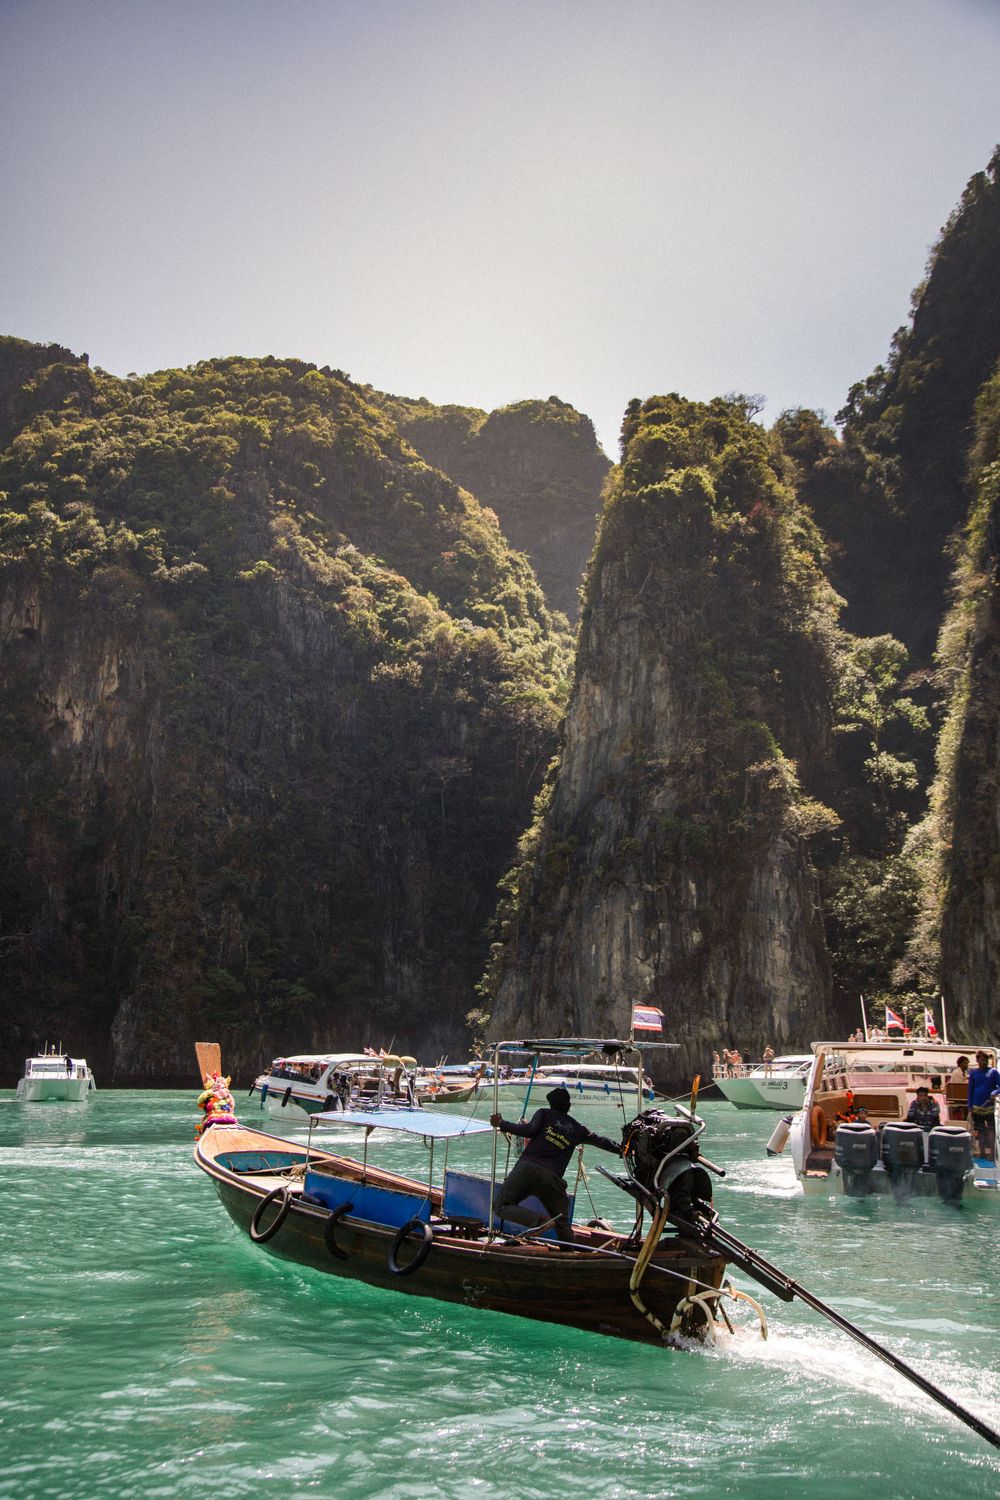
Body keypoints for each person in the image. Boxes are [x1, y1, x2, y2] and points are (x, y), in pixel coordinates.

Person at [490, 1087, 621, 1244]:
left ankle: (539, 1221)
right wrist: (624, 1149)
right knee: (562, 1223)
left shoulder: (543, 1113)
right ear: (569, 1106)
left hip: (527, 1168)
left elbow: (528, 1130)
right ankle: (569, 1253)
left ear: (551, 1104)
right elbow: (602, 1141)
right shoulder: (579, 1129)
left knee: (500, 1206)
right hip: (552, 1178)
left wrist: (501, 1123)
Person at [967, 1051, 1000, 1159]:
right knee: (980, 1131)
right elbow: (970, 1091)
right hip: (977, 1107)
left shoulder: (993, 1072)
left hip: (990, 1106)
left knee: (991, 1130)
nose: (984, 1062)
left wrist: (994, 1092)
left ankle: (992, 1153)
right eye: (982, 1060)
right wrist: (970, 1107)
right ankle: (982, 1153)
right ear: (977, 1060)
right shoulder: (973, 1073)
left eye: (986, 1060)